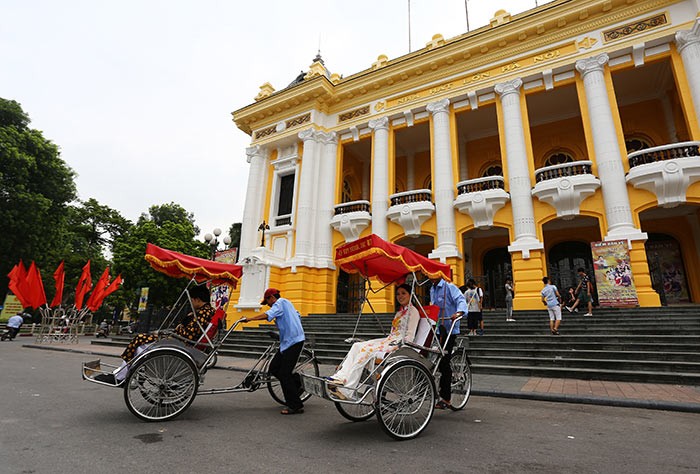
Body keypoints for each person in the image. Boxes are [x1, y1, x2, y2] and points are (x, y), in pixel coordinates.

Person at [95, 284, 215, 384]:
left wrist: (171, 333)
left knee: (139, 339)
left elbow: (189, 335)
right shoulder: (205, 311)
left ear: (198, 300)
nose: (191, 303)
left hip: (180, 342)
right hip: (179, 340)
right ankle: (124, 373)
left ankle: (121, 377)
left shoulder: (202, 314)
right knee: (142, 342)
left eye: (192, 300)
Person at [327, 283, 420, 399]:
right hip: (389, 340)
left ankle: (347, 389)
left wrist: (399, 347)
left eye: (403, 293)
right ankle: (339, 378)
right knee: (357, 345)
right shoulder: (399, 312)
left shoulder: (414, 312)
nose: (400, 296)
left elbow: (409, 336)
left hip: (399, 344)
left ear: (410, 295)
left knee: (366, 351)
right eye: (398, 294)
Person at [242, 288, 306, 415]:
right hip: (287, 342)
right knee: (274, 368)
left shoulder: (280, 303)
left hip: (294, 342)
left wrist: (250, 319)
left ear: (271, 297)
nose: (269, 305)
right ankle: (297, 382)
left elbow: (268, 314)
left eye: (268, 302)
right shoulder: (287, 304)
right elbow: (297, 315)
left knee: (284, 374)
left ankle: (296, 405)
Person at [430, 276, 467, 410]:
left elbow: (460, 300)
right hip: (438, 328)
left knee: (444, 361)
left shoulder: (449, 287)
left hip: (449, 328)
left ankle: (446, 398)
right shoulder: (432, 289)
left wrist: (459, 312)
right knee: (434, 359)